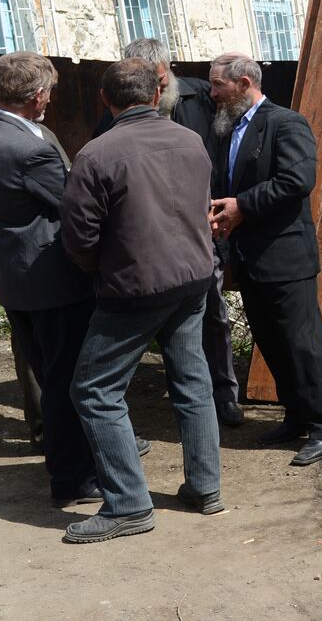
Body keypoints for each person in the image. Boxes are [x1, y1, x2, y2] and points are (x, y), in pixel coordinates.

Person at [59, 58, 224, 544]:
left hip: (136, 289)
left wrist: (103, 269)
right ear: (157, 95)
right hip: (192, 279)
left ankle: (129, 505)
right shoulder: (189, 139)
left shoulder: (96, 154)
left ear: (105, 100)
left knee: (93, 390)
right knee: (193, 380)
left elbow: (78, 237)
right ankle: (205, 486)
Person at [0, 52, 98, 506]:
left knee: (50, 373)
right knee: (65, 381)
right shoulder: (28, 147)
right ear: (37, 95)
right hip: (53, 282)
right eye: (49, 93)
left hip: (16, 278)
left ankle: (69, 467)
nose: (50, 101)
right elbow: (75, 206)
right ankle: (73, 480)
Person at [95, 38, 243, 428]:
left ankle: (224, 396)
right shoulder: (113, 114)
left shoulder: (201, 97)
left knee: (213, 317)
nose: (156, 90)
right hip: (148, 242)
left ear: (169, 72)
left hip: (201, 232)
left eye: (159, 80)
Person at [208, 53, 322, 466]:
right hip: (250, 258)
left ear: (244, 83)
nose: (212, 93)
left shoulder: (286, 123)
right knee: (271, 342)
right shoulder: (231, 128)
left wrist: (241, 205)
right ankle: (296, 415)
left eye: (219, 85)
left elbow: (297, 181)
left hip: (286, 257)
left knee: (303, 344)